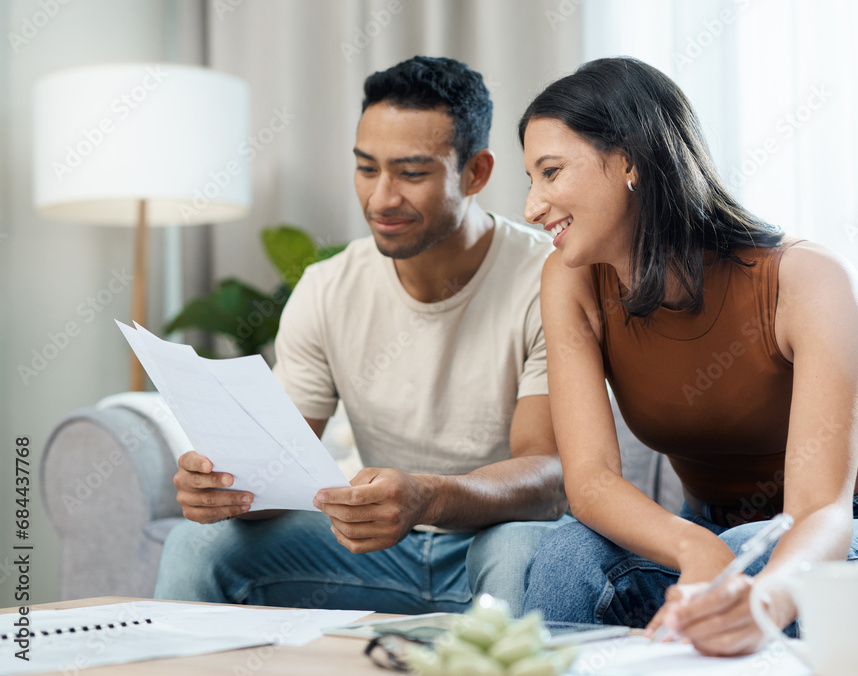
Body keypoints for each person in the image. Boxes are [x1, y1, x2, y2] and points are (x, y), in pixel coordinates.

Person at [518, 57, 858, 656]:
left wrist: (765, 599)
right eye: (530, 180)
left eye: (550, 173)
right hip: (717, 530)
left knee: (745, 561)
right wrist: (696, 548)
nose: (532, 207)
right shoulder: (570, 279)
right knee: (567, 552)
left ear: (630, 161)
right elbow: (591, 485)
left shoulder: (808, 278)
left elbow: (820, 513)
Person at [154, 56, 569, 615]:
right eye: (367, 168)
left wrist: (428, 494)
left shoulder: (549, 279)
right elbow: (279, 469)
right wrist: (228, 488)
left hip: (492, 540)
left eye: (412, 173)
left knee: (521, 546)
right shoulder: (328, 288)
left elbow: (547, 474)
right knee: (197, 545)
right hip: (375, 550)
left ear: (476, 172)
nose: (381, 199)